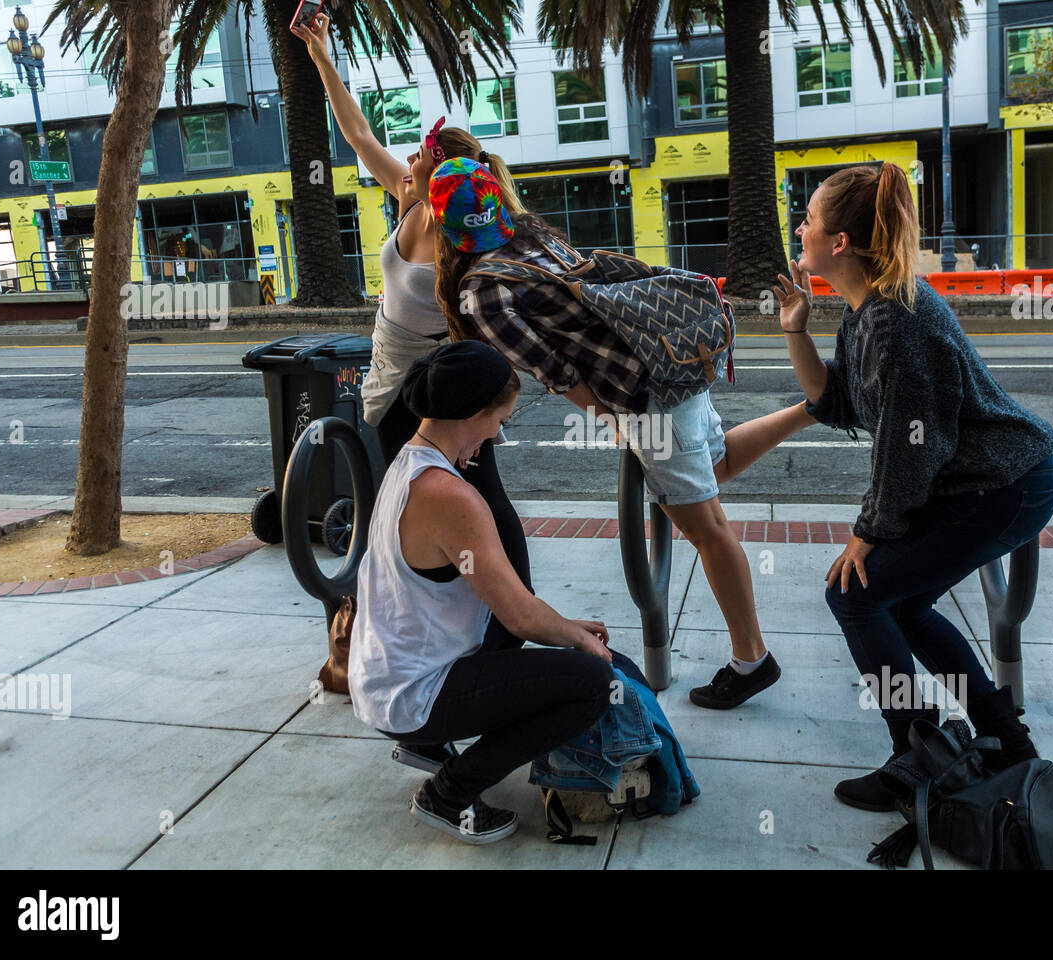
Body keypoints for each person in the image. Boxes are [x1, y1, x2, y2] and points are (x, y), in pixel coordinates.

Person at [428, 157, 817, 711]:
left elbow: (554, 371)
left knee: (706, 528)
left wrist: (617, 418)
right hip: (672, 359)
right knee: (716, 467)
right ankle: (811, 409)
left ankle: (751, 659)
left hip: (644, 395)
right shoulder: (531, 234)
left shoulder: (482, 291)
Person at [774, 162, 1053, 811]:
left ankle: (913, 754)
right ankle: (1003, 742)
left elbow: (912, 449)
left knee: (852, 594)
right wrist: (796, 329)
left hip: (1003, 484)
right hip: (975, 481)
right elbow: (840, 406)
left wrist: (866, 537)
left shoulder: (895, 320)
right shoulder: (865, 311)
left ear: (839, 242)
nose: (801, 226)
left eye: (811, 218)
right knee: (895, 603)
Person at [292, 12, 531, 590]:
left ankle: (513, 606)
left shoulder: (464, 231)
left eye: (422, 152)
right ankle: (448, 602)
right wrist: (321, 52)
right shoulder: (412, 199)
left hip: (433, 386)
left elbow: (500, 303)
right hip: (388, 376)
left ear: (443, 171)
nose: (412, 157)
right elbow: (358, 136)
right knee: (412, 495)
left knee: (475, 492)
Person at [348, 340, 615, 845]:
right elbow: (519, 616)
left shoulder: (408, 464)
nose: (498, 433)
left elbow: (510, 603)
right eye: (500, 420)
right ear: (472, 412)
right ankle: (448, 794)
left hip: (387, 677)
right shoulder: (452, 497)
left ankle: (430, 745)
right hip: (412, 694)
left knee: (550, 643)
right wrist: (579, 644)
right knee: (590, 682)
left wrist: (564, 626)